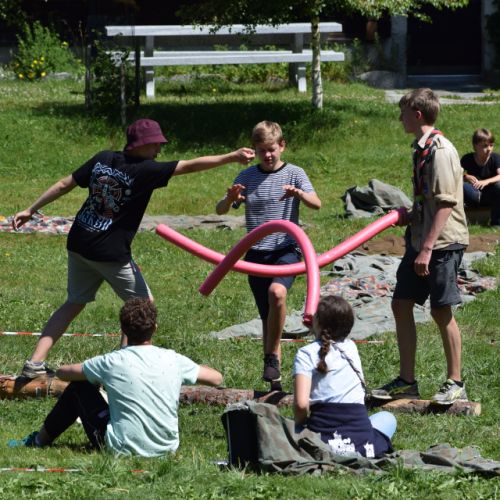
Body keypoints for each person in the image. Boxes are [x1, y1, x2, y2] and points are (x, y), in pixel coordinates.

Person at [12, 118, 255, 378]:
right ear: (141, 144)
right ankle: (124, 369)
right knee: (142, 307)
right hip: (109, 253)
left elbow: (64, 184)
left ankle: (34, 363)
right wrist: (231, 157)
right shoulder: (145, 170)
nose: (159, 150)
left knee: (74, 302)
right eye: (156, 144)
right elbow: (190, 165)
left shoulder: (103, 158)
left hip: (80, 242)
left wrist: (31, 209)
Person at [8, 297, 223, 456]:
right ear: (155, 328)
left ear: (123, 331)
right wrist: (190, 367)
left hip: (120, 448)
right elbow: (216, 378)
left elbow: (64, 373)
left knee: (79, 388)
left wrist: (92, 375)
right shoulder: (173, 359)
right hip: (167, 448)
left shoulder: (111, 362)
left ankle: (39, 440)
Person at [371, 88, 469, 405]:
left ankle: (456, 382)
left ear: (416, 114)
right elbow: (428, 200)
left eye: (403, 113)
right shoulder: (421, 149)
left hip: (442, 242)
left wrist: (427, 249)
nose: (399, 118)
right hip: (421, 238)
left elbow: (445, 204)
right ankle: (407, 381)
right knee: (401, 303)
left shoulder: (440, 151)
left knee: (441, 310)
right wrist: (410, 215)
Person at [215, 121, 321, 390]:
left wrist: (299, 193)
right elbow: (220, 210)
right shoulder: (247, 176)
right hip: (256, 254)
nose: (268, 155)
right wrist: (229, 199)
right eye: (262, 150)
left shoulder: (295, 173)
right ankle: (274, 377)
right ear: (255, 150)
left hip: (286, 249)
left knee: (277, 293)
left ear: (282, 146)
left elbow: (317, 204)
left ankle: (271, 356)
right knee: (267, 316)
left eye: (272, 149)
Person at [293, 295, 396, 458]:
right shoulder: (351, 347)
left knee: (287, 427)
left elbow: (301, 405)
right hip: (362, 445)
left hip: (322, 443)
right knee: (388, 418)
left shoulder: (305, 353)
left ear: (317, 322)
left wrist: (299, 427)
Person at [461, 128, 500, 226]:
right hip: (473, 194)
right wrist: (465, 176)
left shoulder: (495, 158)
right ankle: (460, 220)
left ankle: (496, 222)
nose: (489, 149)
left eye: (491, 145)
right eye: (485, 146)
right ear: (475, 146)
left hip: (490, 195)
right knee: (459, 185)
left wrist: (486, 181)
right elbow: (455, 174)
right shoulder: (467, 159)